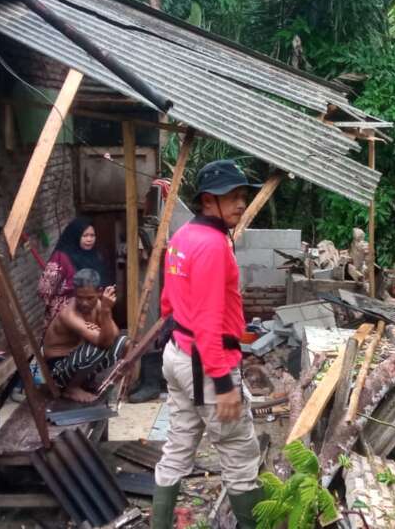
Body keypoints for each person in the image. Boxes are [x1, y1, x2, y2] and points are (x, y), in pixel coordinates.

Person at [152, 160, 262, 529]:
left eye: (242, 196)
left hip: (177, 354)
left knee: (178, 448)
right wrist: (225, 383)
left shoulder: (182, 236)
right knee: (240, 455)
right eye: (230, 196)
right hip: (205, 362)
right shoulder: (214, 246)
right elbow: (209, 321)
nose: (240, 203)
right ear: (207, 201)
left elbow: (168, 301)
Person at [43, 268, 129, 403]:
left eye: (89, 298)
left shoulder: (98, 304)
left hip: (77, 363)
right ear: (74, 293)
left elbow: (115, 334)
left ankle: (111, 383)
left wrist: (103, 321)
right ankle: (71, 389)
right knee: (97, 347)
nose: (84, 303)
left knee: (124, 342)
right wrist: (106, 312)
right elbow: (104, 343)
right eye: (79, 298)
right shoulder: (69, 314)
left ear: (99, 292)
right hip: (58, 372)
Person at [38, 217, 111, 327]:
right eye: (85, 236)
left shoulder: (96, 256)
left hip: (92, 314)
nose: (89, 239)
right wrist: (70, 303)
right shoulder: (61, 258)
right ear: (75, 236)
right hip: (67, 315)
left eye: (92, 235)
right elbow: (44, 290)